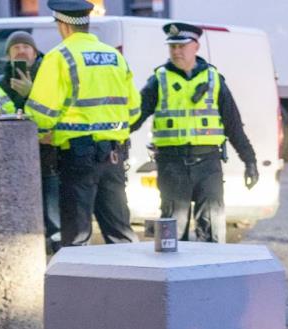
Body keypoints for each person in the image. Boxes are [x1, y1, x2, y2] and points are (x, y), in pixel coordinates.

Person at [25, 0, 141, 247]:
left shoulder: (59, 57)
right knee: (120, 234)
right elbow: (134, 110)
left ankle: (77, 285)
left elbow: (41, 114)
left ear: (63, 25)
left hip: (77, 159)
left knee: (77, 236)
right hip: (113, 156)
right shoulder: (114, 57)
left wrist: (42, 134)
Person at [131, 22, 259, 244]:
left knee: (211, 231)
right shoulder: (160, 80)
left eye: (182, 46)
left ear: (196, 47)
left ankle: (209, 277)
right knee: (171, 233)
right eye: (172, 47)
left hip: (208, 164)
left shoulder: (213, 79)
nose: (176, 51)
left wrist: (250, 161)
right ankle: (170, 276)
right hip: (172, 164)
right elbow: (135, 118)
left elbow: (234, 126)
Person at [0, 31, 61, 252]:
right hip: (16, 157)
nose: (21, 51)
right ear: (8, 55)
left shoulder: (48, 75)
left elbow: (56, 108)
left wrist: (31, 92)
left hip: (49, 153)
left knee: (53, 209)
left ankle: (57, 248)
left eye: (26, 47)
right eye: (16, 48)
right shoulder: (1, 82)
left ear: (35, 52)